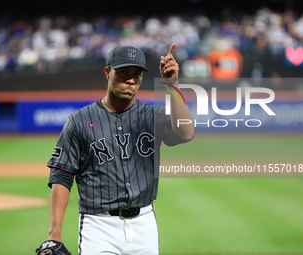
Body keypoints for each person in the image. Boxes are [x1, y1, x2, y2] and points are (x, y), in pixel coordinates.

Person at [36, 43, 194, 255]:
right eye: (123, 72)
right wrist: (54, 234)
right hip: (99, 226)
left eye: (137, 74)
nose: (131, 79)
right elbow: (62, 176)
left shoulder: (152, 116)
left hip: (144, 223)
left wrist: (172, 84)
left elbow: (186, 133)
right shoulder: (79, 121)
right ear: (107, 72)